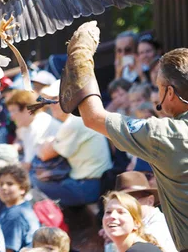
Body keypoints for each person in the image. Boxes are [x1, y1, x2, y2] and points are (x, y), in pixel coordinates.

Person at [59, 20, 188, 251]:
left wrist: (80, 56)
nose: (156, 94)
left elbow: (93, 117)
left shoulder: (167, 135)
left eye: (159, 87)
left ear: (170, 92)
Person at [34, 79, 112, 206]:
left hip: (87, 186)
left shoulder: (74, 122)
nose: (50, 104)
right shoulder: (78, 118)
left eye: (55, 99)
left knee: (34, 182)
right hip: (89, 182)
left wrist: (45, 144)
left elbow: (44, 154)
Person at [115, 171, 177, 252]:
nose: (126, 207)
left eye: (133, 201)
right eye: (120, 203)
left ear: (150, 201)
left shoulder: (158, 227)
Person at [6, 90, 61, 168]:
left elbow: (28, 165)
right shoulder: (27, 126)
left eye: (13, 111)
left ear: (26, 109)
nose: (11, 117)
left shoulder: (40, 125)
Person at [0, 165, 40, 252]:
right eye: (0, 184)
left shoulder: (15, 215)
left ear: (22, 189)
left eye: (10, 184)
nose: (3, 187)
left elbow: (8, 249)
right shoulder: (17, 208)